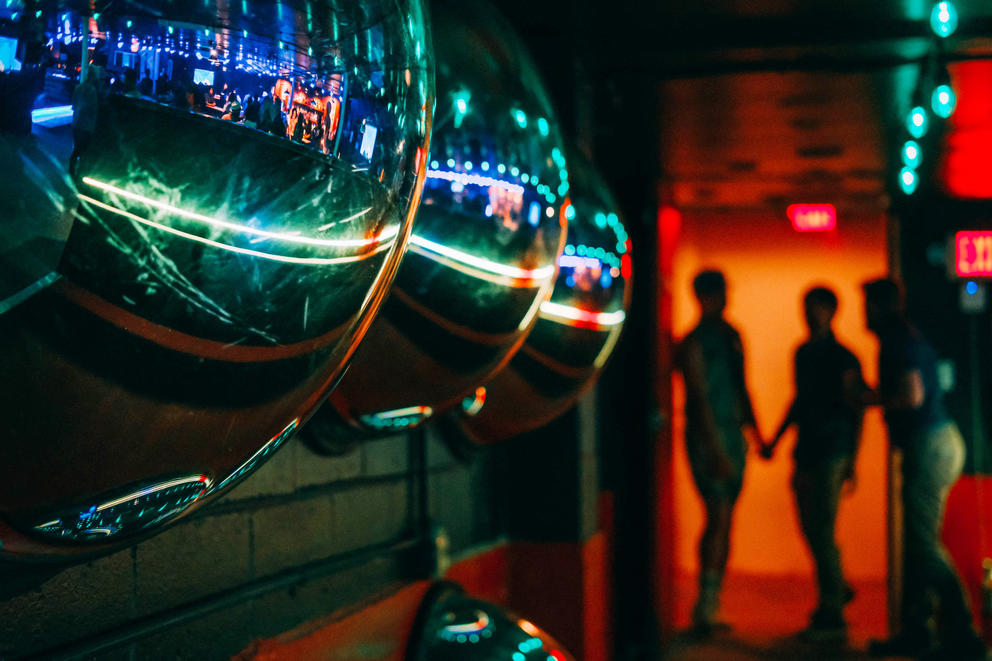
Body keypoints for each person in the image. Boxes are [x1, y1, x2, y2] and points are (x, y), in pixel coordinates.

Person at [862, 278, 987, 661]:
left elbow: (911, 395)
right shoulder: (904, 337)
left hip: (929, 445)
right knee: (916, 545)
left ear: (882, 306)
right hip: (935, 443)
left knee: (922, 545)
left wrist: (866, 397)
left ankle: (963, 633)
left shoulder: (898, 340)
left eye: (867, 305)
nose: (864, 314)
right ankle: (918, 631)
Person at [762, 286, 865, 641]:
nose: (809, 314)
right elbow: (800, 400)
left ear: (831, 311)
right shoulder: (803, 353)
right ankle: (836, 587)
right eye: (806, 307)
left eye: (815, 308)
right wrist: (776, 439)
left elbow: (855, 408)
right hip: (809, 450)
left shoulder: (843, 357)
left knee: (821, 528)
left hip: (832, 450)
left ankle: (831, 607)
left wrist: (852, 458)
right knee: (813, 528)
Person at [675, 269, 763, 636]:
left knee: (726, 518)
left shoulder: (730, 336)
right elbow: (697, 396)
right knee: (719, 515)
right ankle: (705, 604)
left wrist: (756, 434)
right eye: (720, 292)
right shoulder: (695, 342)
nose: (725, 298)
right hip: (711, 437)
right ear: (705, 296)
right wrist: (713, 446)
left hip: (731, 434)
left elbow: (743, 387)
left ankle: (712, 601)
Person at [69, 68, 98, 177]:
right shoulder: (93, 91)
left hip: (76, 122)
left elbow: (73, 104)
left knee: (76, 147)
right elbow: (94, 108)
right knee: (84, 150)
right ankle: (79, 171)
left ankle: (71, 168)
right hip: (87, 125)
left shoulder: (78, 87)